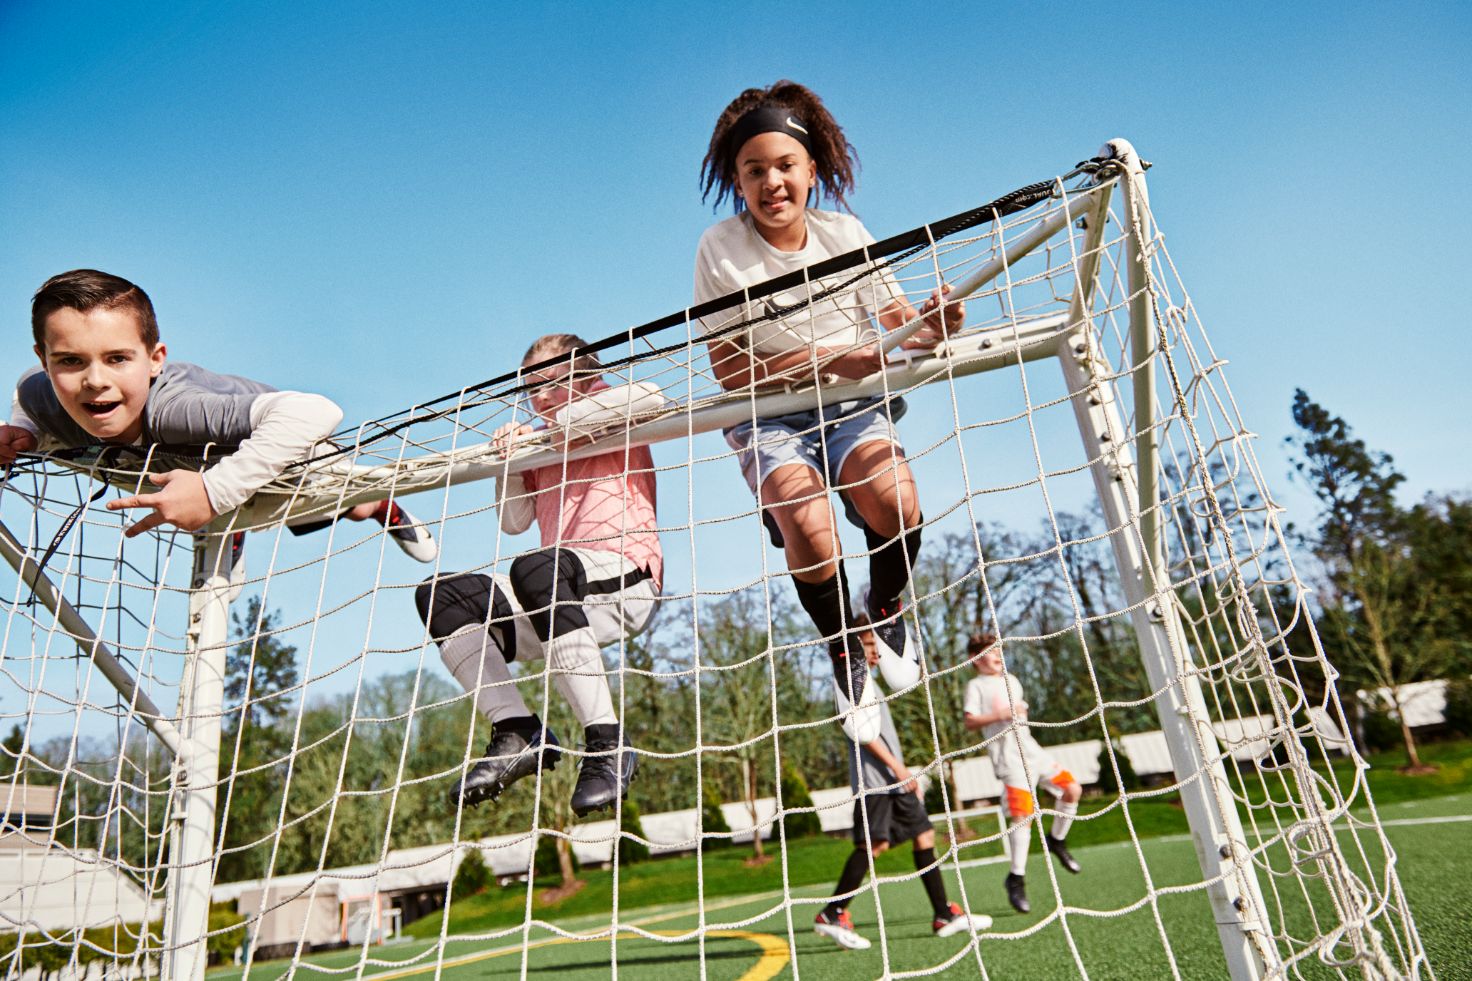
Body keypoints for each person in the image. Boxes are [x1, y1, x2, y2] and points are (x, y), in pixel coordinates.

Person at [692, 80, 964, 724]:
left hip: (852, 401)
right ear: (737, 179)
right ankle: (845, 646)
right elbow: (730, 371)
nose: (772, 183)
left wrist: (936, 322)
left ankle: (888, 606)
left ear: (812, 169)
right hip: (770, 417)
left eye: (785, 166)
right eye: (754, 170)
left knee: (895, 501)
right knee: (808, 525)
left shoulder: (844, 233)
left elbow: (898, 319)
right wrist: (828, 359)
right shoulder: (719, 252)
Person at [0, 269, 436, 565]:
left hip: (293, 456)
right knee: (172, 480)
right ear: (44, 359)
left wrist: (213, 492)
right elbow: (27, 393)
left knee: (345, 505)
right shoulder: (40, 391)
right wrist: (25, 431)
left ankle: (385, 507)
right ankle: (225, 524)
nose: (95, 380)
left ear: (155, 360)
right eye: (71, 361)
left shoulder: (177, 410)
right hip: (183, 465)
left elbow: (317, 411)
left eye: (117, 358)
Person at [414, 333, 662, 817]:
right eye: (531, 390)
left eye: (551, 384)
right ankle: (517, 732)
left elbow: (652, 397)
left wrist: (552, 431)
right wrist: (511, 460)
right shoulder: (541, 436)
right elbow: (513, 522)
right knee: (443, 595)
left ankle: (607, 742)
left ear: (588, 376)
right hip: (557, 597)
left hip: (627, 579)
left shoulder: (615, 405)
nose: (539, 398)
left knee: (538, 566)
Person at [814, 615, 992, 950]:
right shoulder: (850, 681)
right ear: (851, 649)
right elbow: (864, 736)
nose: (875, 653)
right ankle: (833, 913)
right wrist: (899, 768)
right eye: (868, 646)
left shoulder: (872, 681)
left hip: (895, 781)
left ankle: (944, 915)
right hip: (876, 783)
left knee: (924, 835)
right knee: (873, 846)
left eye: (875, 646)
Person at [963, 630, 1084, 914]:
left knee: (1073, 789)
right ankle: (1016, 878)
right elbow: (970, 722)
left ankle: (1057, 840)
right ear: (975, 659)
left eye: (998, 651)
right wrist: (1001, 714)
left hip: (1032, 751)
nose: (997, 656)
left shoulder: (1012, 681)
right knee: (1023, 815)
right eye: (990, 652)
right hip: (1008, 759)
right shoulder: (976, 686)